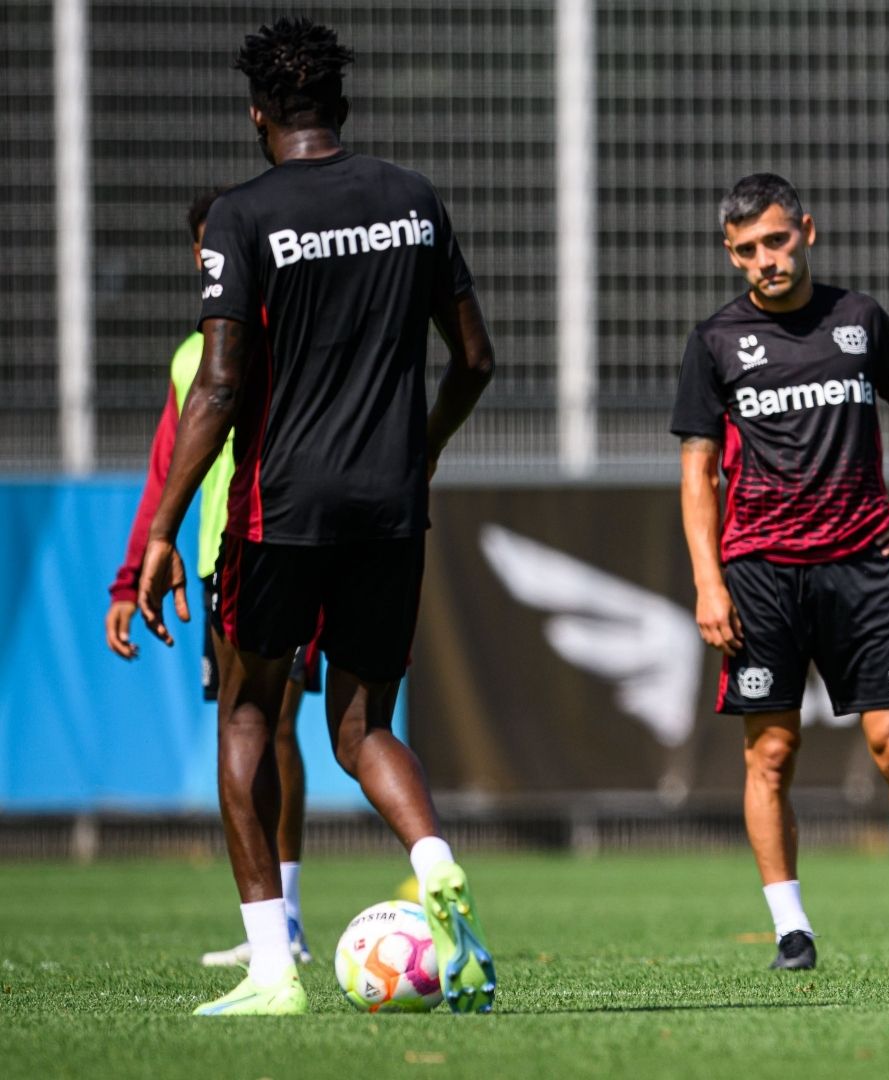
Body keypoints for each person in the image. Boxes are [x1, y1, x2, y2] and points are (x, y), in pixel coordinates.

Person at [135, 17, 498, 1015]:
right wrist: (417, 450)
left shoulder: (247, 218)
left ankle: (270, 972)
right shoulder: (413, 202)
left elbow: (215, 387)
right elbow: (475, 360)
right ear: (340, 105)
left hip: (278, 507)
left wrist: (164, 528)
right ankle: (431, 864)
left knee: (250, 713)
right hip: (390, 506)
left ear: (259, 114)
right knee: (362, 725)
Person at [673, 173, 889, 972]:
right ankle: (792, 932)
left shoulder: (858, 320)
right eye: (746, 250)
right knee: (771, 754)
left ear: (806, 230)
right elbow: (697, 472)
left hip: (860, 567)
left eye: (776, 241)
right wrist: (708, 582)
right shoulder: (714, 342)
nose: (764, 260)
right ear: (730, 253)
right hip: (759, 573)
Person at [105, 187, 323, 970]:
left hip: (286, 543)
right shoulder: (192, 356)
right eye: (202, 249)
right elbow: (169, 468)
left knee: (280, 725)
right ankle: (269, 919)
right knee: (244, 724)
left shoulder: (289, 335)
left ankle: (287, 918)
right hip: (213, 561)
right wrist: (132, 577)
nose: (211, 260)